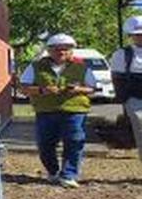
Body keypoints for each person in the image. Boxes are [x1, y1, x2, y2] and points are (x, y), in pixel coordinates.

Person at [19, 33, 97, 187]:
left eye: (66, 49)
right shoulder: (35, 66)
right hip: (46, 110)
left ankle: (68, 175)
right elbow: (23, 88)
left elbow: (92, 88)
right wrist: (42, 90)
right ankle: (53, 171)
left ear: (72, 50)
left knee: (74, 141)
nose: (61, 52)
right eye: (57, 49)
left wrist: (77, 89)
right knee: (45, 144)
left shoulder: (82, 67)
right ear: (49, 50)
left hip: (75, 110)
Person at [109, 16, 142, 161]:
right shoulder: (122, 54)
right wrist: (124, 98)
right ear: (131, 36)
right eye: (138, 34)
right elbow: (117, 78)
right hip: (135, 97)